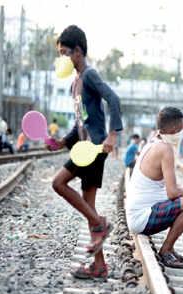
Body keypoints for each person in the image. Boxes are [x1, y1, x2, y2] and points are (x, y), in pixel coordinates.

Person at [46, 25, 123, 280]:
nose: (63, 58)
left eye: (65, 52)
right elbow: (82, 121)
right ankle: (99, 266)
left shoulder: (89, 75)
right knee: (87, 202)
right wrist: (62, 142)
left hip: (93, 147)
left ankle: (100, 222)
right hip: (83, 146)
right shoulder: (75, 83)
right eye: (60, 53)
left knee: (58, 183)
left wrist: (113, 134)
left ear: (78, 51)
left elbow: (114, 99)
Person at [126, 107, 183, 268]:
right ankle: (166, 250)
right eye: (181, 128)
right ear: (175, 130)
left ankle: (170, 248)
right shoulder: (165, 149)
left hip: (139, 214)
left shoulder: (153, 142)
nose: (182, 132)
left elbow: (169, 188)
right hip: (142, 218)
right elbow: (172, 192)